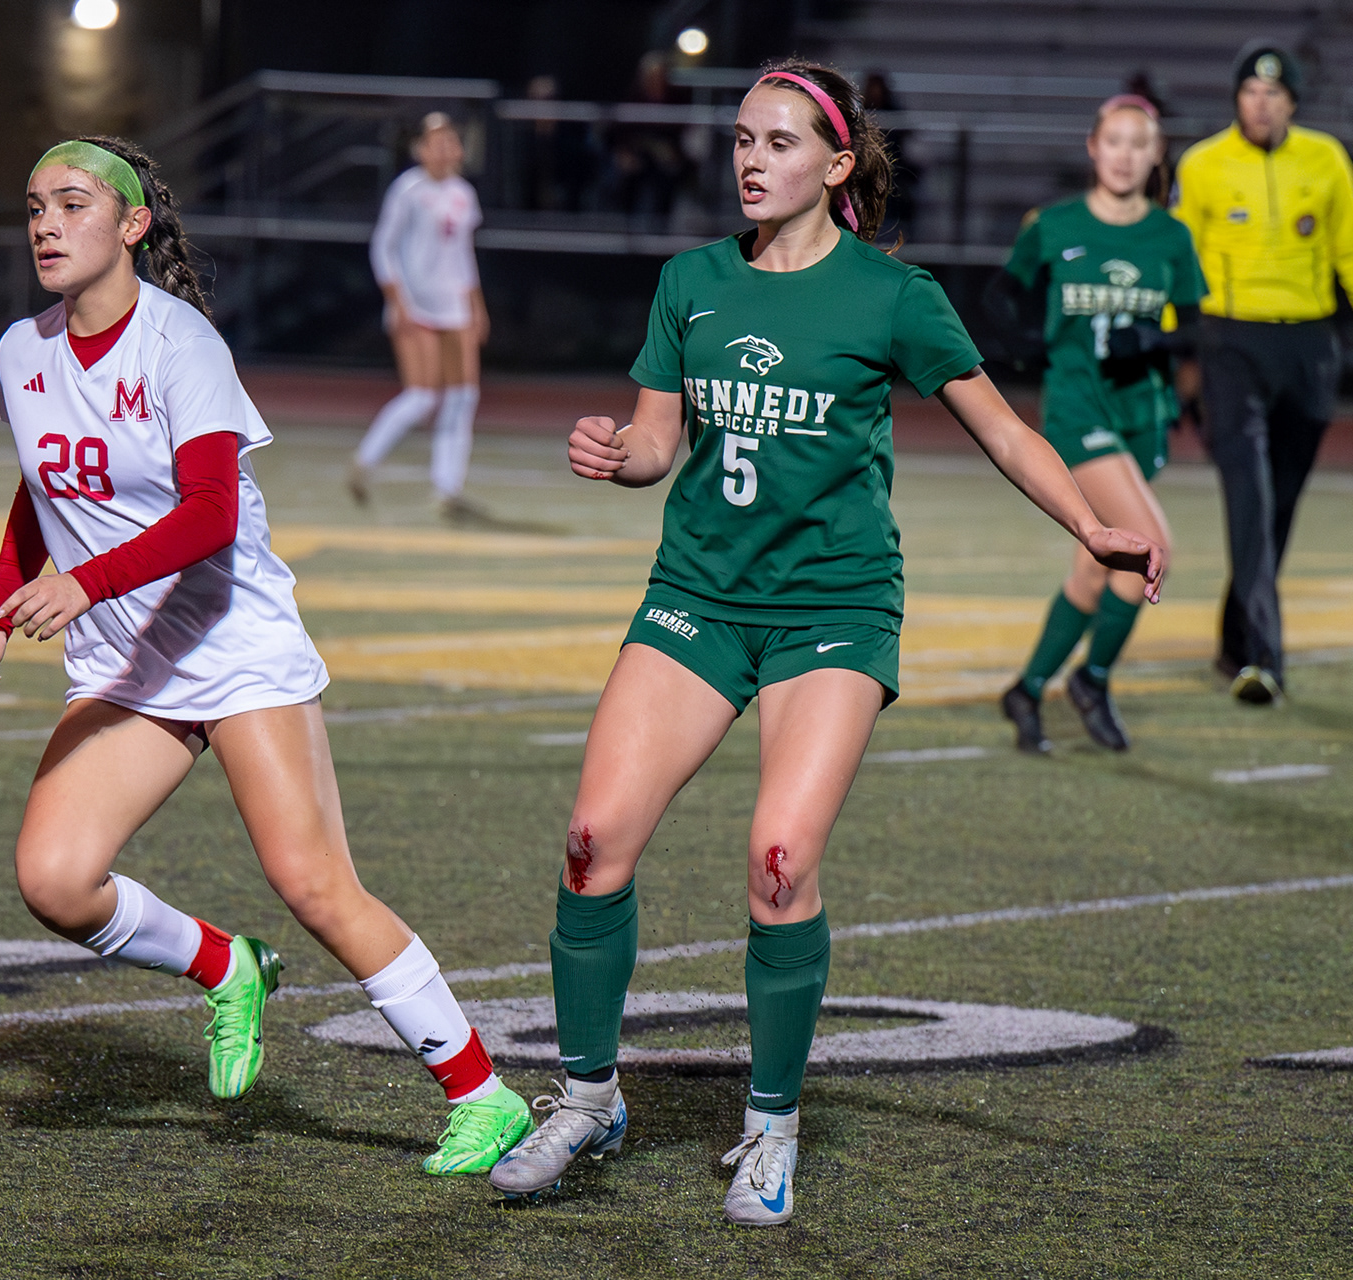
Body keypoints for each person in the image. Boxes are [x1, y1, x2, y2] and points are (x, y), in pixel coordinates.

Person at [484, 63, 1162, 1223]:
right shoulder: (691, 281)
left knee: (780, 860)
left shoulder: (892, 296)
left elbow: (1003, 431)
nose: (752, 160)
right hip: (698, 597)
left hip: (835, 609)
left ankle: (770, 1125)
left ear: (837, 163)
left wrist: (1092, 524)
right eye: (742, 139)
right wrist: (616, 451)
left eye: (781, 142)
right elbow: (657, 443)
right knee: (593, 843)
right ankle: (589, 1099)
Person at [0, 136, 531, 1174]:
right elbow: (41, 488)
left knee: (314, 883)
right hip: (127, 662)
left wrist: (83, 583)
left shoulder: (180, 343)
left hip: (233, 645)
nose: (45, 224)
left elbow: (212, 511)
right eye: (34, 206)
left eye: (72, 204)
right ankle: (229, 967)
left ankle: (485, 1096)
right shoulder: (19, 350)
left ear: (132, 225)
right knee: (54, 878)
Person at [999, 95, 1206, 753]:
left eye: (1138, 143)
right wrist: (1029, 345)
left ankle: (1028, 689)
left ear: (1156, 155)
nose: (1124, 155)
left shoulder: (1171, 237)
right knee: (1152, 545)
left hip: (1140, 414)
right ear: (1093, 147)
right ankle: (1091, 679)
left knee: (1100, 569)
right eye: (1113, 141)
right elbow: (1003, 298)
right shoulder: (1053, 225)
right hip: (1077, 410)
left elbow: (1194, 330)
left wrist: (1155, 345)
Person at [1173, 43, 1353, 704]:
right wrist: (1176, 355)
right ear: (1236, 98)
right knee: (1249, 498)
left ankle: (1233, 639)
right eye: (1250, 91)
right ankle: (1263, 658)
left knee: (1278, 508)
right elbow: (1180, 262)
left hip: (1309, 348)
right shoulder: (1202, 164)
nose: (1261, 103)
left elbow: (1349, 252)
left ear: (1293, 102)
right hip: (1231, 345)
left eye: (1273, 93)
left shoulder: (1327, 159)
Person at [349, 113, 488, 519]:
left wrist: (477, 306)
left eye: (450, 141)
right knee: (423, 396)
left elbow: (463, 255)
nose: (445, 150)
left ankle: (447, 489)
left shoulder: (464, 194)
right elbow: (383, 246)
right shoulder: (408, 190)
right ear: (421, 150)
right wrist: (397, 301)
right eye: (436, 142)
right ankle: (364, 462)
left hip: (454, 306)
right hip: (417, 305)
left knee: (463, 396)